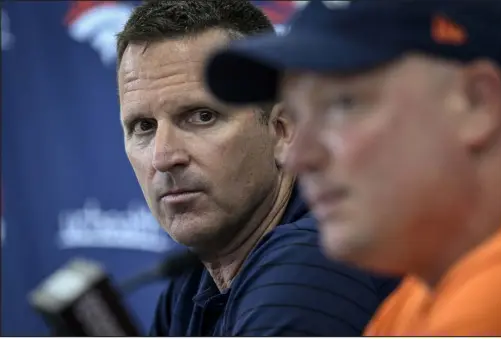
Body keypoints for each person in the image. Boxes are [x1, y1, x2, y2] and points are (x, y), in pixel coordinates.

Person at [204, 0, 501, 336]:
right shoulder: (426, 288)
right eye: (297, 116)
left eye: (342, 104)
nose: (299, 157)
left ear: (476, 102)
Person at [116, 0, 399, 336]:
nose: (163, 158)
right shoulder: (191, 284)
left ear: (282, 130)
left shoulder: (312, 261)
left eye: (202, 116)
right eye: (144, 126)